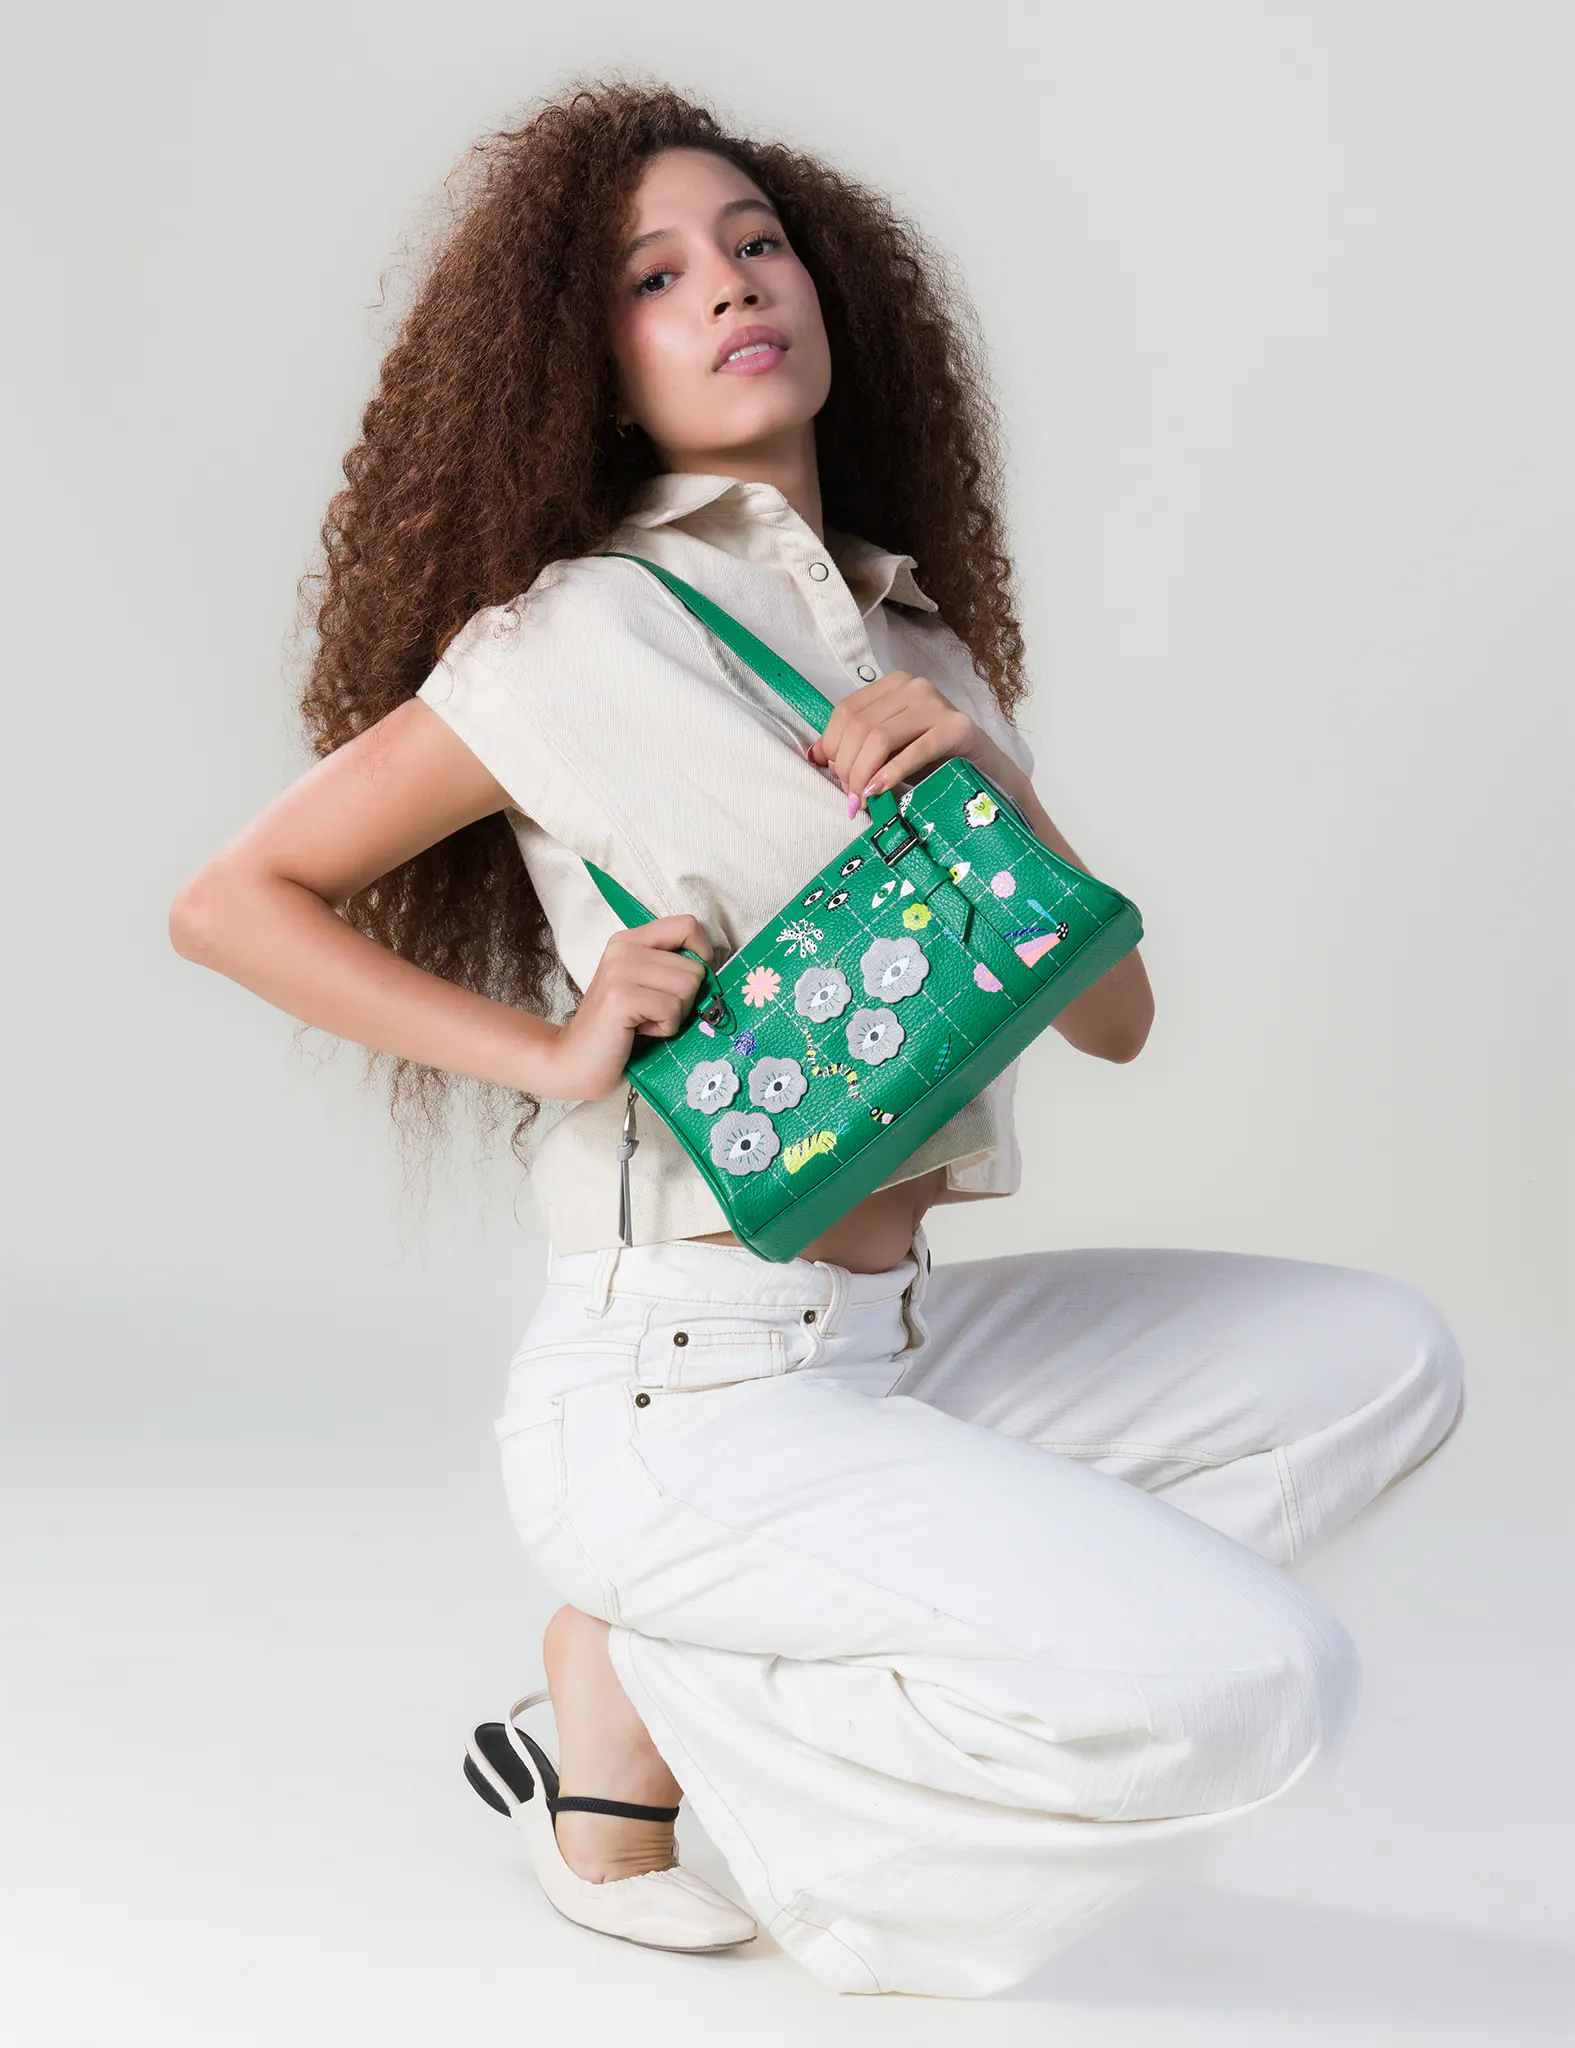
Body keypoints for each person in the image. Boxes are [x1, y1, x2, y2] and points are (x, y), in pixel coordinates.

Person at [169, 79, 1467, 1998]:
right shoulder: (571, 638)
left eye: (755, 241)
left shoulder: (915, 647)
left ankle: (643, 1673)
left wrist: (999, 785)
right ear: (590, 371)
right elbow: (231, 902)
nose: (727, 287)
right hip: (674, 1382)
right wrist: (552, 1053)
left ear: (828, 286)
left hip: (895, 1343)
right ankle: (662, 1709)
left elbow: (1113, 1018)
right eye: (654, 276)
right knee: (1262, 1681)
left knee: (1381, 1360)